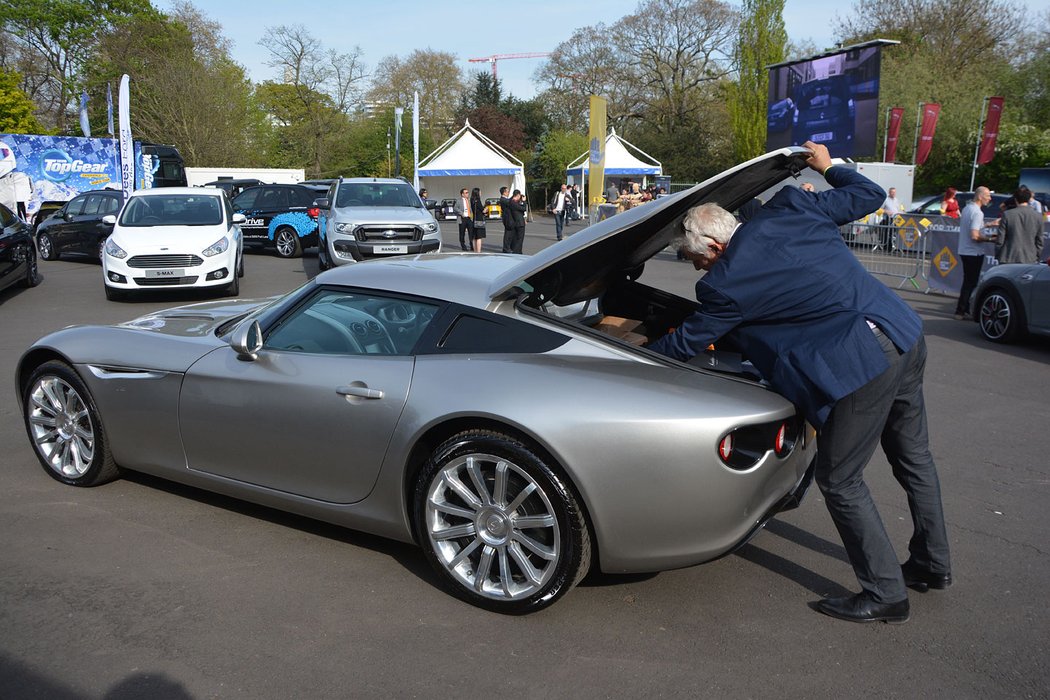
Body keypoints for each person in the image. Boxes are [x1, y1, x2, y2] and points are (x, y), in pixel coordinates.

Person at [647, 141, 951, 624]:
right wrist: (828, 166)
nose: (696, 269)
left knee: (841, 479)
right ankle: (933, 564)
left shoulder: (724, 284)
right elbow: (869, 194)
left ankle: (885, 593)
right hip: (904, 333)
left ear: (714, 247)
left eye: (693, 260)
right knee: (914, 459)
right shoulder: (790, 207)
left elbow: (687, 342)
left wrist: (633, 356)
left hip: (860, 364)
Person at [954, 186, 996, 319]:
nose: (989, 198)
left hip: (965, 250)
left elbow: (974, 227)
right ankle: (960, 311)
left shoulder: (967, 208)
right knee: (970, 282)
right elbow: (975, 235)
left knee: (969, 281)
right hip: (973, 252)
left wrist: (989, 225)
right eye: (988, 195)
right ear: (980, 196)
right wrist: (991, 239)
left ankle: (964, 308)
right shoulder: (978, 212)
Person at [996, 187, 1044, 264]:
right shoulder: (1038, 216)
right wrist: (1036, 257)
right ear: (1029, 199)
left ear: (1015, 199)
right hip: (1029, 258)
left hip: (1008, 257)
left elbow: (1000, 239)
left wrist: (998, 255)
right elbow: (1039, 241)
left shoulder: (1007, 214)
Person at [504, 189, 527, 254]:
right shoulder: (513, 203)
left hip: (516, 222)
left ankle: (517, 250)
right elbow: (523, 208)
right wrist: (524, 202)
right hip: (519, 222)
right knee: (520, 239)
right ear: (518, 195)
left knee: (516, 238)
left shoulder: (511, 201)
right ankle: (517, 251)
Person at [498, 186, 516, 253]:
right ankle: (506, 248)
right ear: (504, 192)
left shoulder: (506, 199)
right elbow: (509, 202)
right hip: (507, 219)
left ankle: (509, 247)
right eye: (507, 191)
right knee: (508, 234)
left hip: (510, 218)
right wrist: (514, 196)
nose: (508, 193)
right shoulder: (502, 199)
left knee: (511, 233)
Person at [469, 187, 485, 253]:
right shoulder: (478, 200)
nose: (481, 193)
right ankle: (478, 251)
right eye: (480, 192)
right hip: (479, 219)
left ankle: (475, 251)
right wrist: (486, 209)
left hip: (474, 219)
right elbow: (482, 210)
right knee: (479, 237)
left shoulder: (472, 200)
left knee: (474, 237)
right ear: (477, 193)